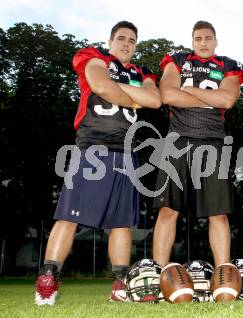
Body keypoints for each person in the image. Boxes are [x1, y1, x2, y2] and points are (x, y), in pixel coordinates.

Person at [35, 21, 161, 305]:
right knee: (68, 215)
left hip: (128, 152)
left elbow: (154, 99)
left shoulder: (143, 72)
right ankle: (48, 278)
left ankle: (119, 284)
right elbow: (100, 85)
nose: (126, 43)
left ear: (136, 45)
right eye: (121, 38)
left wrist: (123, 93)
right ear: (110, 41)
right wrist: (133, 96)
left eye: (131, 40)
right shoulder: (94, 56)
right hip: (94, 147)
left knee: (122, 223)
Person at [152, 21, 242, 269]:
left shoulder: (228, 65)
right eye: (199, 38)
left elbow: (227, 99)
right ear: (192, 42)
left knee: (219, 214)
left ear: (216, 40)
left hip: (213, 143)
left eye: (208, 38)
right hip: (177, 141)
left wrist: (188, 90)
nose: (203, 42)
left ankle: (223, 273)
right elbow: (168, 95)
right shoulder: (178, 59)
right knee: (168, 210)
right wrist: (209, 99)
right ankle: (160, 272)